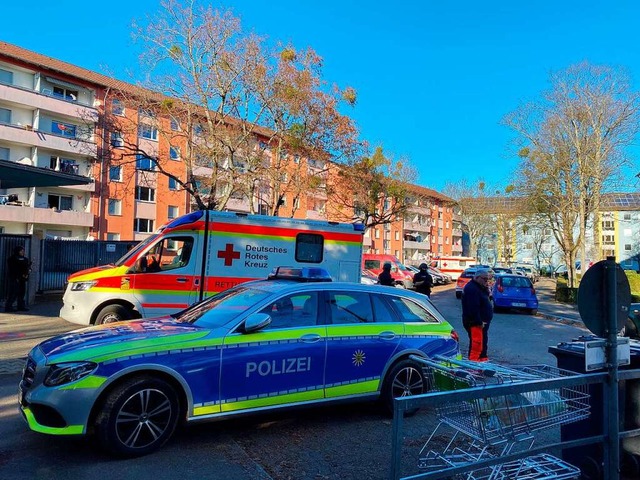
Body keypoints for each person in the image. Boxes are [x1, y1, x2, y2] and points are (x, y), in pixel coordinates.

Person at [461, 269, 493, 361]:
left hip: (482, 321)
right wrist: (478, 321)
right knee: (476, 344)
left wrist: (487, 288)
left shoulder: (480, 287)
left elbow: (487, 298)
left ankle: (482, 360)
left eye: (488, 279)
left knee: (483, 342)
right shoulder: (472, 288)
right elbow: (472, 308)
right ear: (477, 277)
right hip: (475, 322)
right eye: (484, 279)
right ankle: (473, 364)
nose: (486, 281)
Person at [5, 246, 32, 312]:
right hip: (14, 278)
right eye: (21, 251)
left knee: (22, 293)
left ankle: (20, 306)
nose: (22, 252)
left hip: (23, 278)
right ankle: (8, 307)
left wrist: (28, 270)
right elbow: (13, 269)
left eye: (23, 251)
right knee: (13, 293)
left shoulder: (25, 259)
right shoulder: (12, 259)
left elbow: (28, 267)